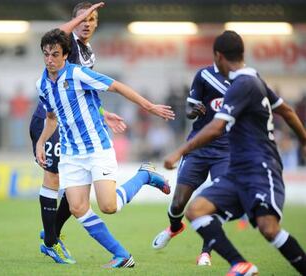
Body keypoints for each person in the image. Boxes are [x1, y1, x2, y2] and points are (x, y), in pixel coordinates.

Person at [163, 30, 306, 276]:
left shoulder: (245, 83)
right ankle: (241, 265)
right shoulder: (254, 79)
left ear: (218, 56)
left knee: (268, 228)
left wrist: (179, 152)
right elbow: (288, 112)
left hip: (260, 167)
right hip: (238, 170)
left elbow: (217, 126)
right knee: (196, 210)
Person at [36, 28, 174, 268]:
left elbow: (117, 86)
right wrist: (40, 141)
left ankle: (144, 175)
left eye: (55, 54)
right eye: (46, 54)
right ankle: (122, 255)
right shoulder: (42, 84)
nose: (50, 59)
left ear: (65, 55)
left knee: (109, 206)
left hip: (97, 148)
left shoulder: (78, 74)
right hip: (70, 153)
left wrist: (149, 106)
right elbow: (51, 118)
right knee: (78, 208)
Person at [29, 2, 127, 265]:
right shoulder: (64, 41)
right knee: (53, 177)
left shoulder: (86, 52)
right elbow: (55, 32)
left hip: (69, 123)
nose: (86, 22)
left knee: (71, 184)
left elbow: (85, 92)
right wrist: (75, 20)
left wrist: (103, 113)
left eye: (92, 18)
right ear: (73, 23)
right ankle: (51, 240)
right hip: (49, 119)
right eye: (81, 18)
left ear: (97, 23)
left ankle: (52, 235)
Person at [152, 62, 230, 267]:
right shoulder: (204, 75)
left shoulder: (243, 79)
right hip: (198, 147)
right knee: (178, 203)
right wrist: (194, 110)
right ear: (218, 55)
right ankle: (174, 227)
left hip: (226, 152)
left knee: (214, 203)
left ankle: (206, 253)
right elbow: (188, 109)